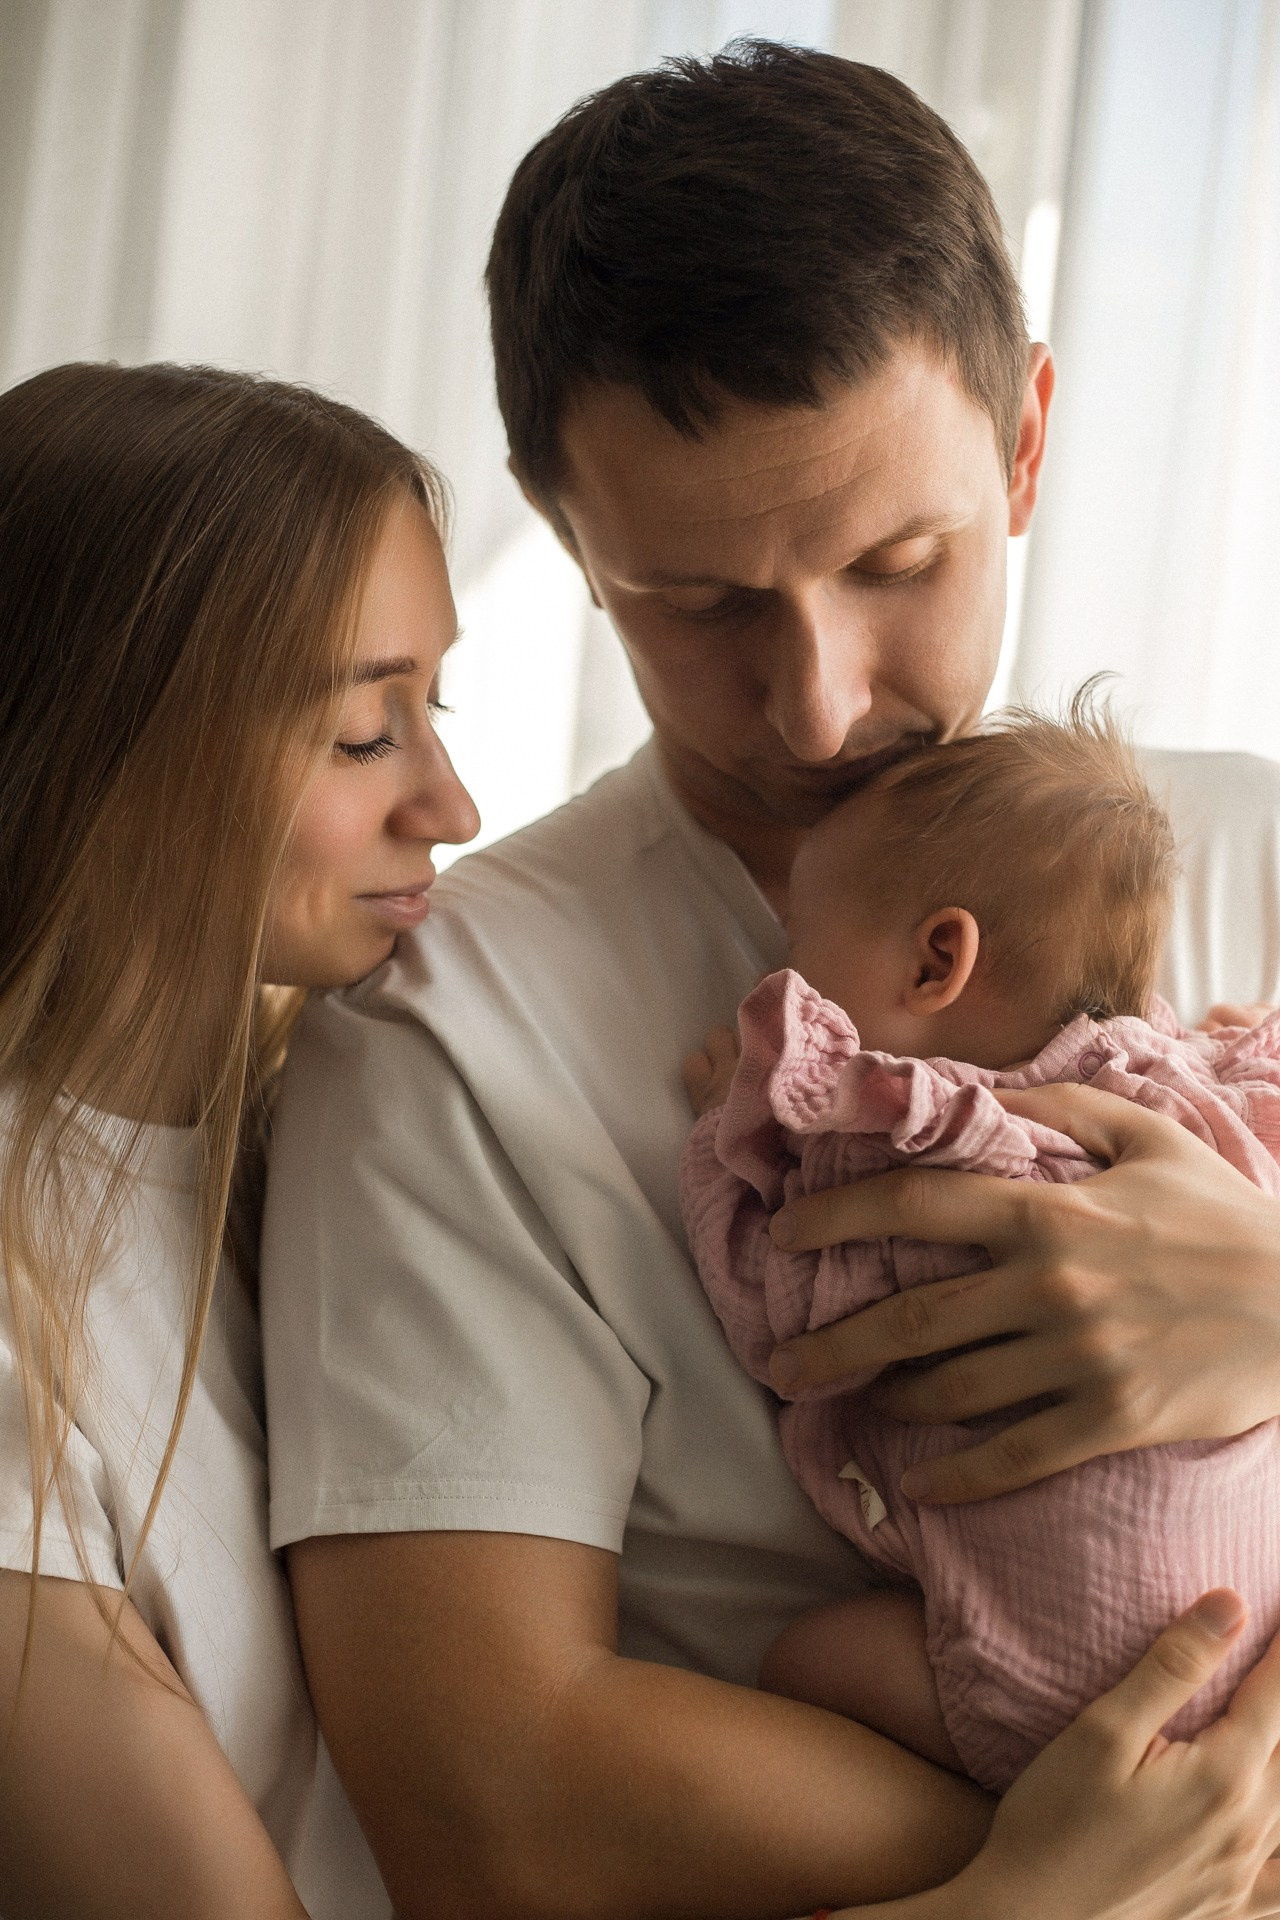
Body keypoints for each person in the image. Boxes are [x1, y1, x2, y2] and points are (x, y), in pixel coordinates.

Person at [260, 42, 1280, 1920]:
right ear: (568, 537)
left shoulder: (1259, 855)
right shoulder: (445, 1038)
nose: (818, 704)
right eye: (703, 606)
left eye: (901, 563)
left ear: (1031, 443)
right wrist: (1108, 1869)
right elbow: (487, 1795)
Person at [0, 360, 478, 1917]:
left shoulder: (342, 1130)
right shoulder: (18, 1309)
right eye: (364, 735)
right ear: (106, 739)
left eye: (437, 709)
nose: (453, 804)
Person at [680, 703, 1280, 1794]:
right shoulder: (1180, 1097)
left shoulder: (909, 1151)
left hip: (1074, 1693)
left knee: (798, 1659)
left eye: (797, 951)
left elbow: (779, 1314)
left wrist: (732, 1138)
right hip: (1252, 1638)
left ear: (934, 962)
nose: (784, 973)